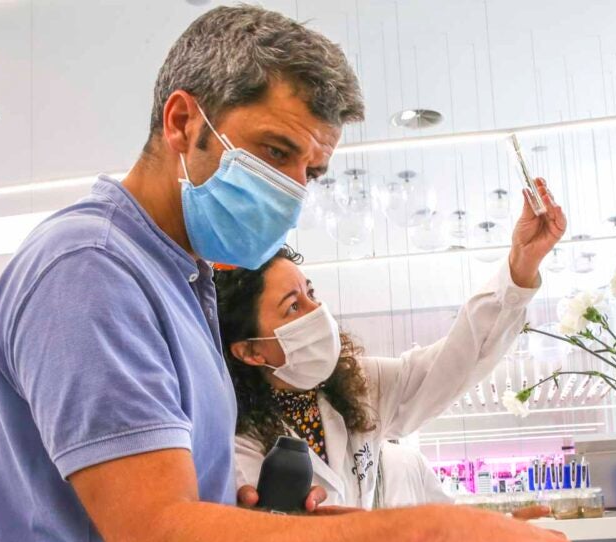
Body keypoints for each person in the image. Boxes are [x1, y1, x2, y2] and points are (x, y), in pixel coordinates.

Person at [0, 6, 611, 542]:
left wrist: (264, 524)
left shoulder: (184, 282)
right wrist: (430, 532)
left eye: (312, 170)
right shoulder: (90, 268)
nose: (294, 191)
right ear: (184, 122)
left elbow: (175, 518)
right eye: (277, 152)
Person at [217, 183, 560, 515]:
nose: (317, 312)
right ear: (249, 351)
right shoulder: (234, 440)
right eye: (293, 307)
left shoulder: (360, 385)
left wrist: (521, 265)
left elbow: (457, 359)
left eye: (311, 294)